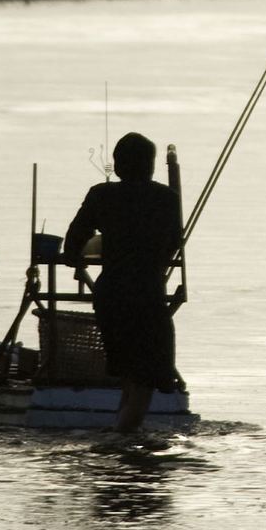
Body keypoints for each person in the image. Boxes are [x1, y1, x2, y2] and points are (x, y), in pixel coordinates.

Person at [63, 131, 182, 432]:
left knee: (130, 372)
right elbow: (173, 243)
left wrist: (80, 256)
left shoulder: (100, 195)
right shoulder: (167, 199)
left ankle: (122, 432)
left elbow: (73, 243)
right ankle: (124, 438)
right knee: (146, 377)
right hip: (147, 295)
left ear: (117, 166)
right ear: (151, 166)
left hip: (111, 295)